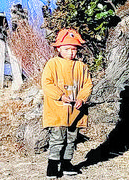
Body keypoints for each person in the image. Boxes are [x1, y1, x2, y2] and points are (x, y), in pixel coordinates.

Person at [42, 28, 93, 178]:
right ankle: (52, 165)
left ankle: (66, 163)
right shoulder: (52, 64)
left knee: (72, 137)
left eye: (74, 49)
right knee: (58, 138)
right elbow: (47, 83)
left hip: (75, 110)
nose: (71, 52)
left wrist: (82, 98)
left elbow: (87, 85)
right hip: (57, 109)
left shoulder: (81, 67)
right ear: (58, 48)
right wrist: (60, 96)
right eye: (67, 49)